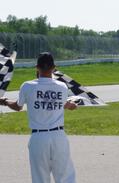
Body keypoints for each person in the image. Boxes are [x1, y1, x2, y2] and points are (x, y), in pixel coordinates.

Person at [0, 52, 77, 183]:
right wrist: (69, 106)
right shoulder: (62, 87)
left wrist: (6, 101)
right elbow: (58, 104)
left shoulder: (27, 86)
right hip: (58, 136)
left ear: (37, 67)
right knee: (65, 175)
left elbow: (18, 106)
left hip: (39, 137)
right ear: (54, 68)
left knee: (40, 176)